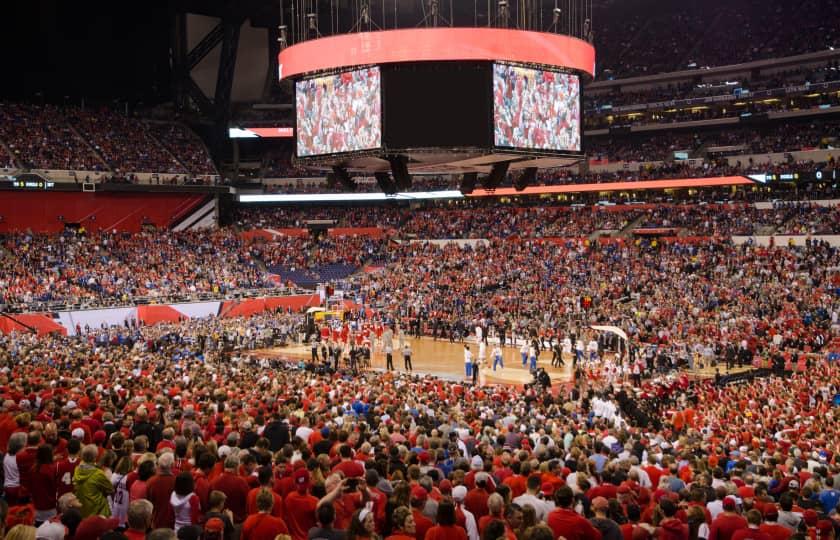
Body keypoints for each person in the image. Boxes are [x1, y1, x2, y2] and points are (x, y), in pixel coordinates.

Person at [73, 444, 114, 518]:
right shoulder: (98, 473)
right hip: (97, 511)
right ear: (95, 458)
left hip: (81, 510)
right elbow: (110, 489)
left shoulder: (77, 470)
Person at [146, 452, 177, 529]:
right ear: (173, 465)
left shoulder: (151, 481)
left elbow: (148, 501)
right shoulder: (176, 481)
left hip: (156, 521)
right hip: (172, 522)